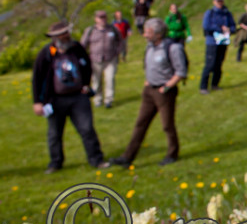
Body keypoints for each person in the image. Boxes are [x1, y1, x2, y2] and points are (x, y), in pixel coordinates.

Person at [31, 22, 111, 173]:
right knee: (54, 134)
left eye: (66, 33)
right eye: (62, 34)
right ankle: (55, 163)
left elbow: (87, 66)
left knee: (87, 129)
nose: (66, 36)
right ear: (55, 37)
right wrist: (37, 101)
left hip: (78, 97)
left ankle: (96, 159)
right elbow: (37, 78)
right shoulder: (46, 53)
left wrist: (86, 84)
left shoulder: (77, 48)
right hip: (55, 99)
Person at [110, 18, 186, 167]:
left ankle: (172, 153)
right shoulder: (149, 47)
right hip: (149, 90)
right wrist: (147, 82)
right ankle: (127, 157)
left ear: (158, 34)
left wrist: (167, 86)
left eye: (148, 32)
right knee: (140, 123)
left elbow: (181, 72)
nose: (145, 35)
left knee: (167, 125)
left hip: (164, 92)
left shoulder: (173, 48)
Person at [80, 10, 122, 109]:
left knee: (110, 79)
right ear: (96, 19)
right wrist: (83, 57)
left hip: (110, 59)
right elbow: (83, 45)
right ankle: (97, 99)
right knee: (96, 81)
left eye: (104, 17)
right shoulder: (90, 31)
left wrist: (118, 51)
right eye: (100, 18)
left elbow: (120, 41)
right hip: (95, 60)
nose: (103, 19)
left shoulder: (112, 29)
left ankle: (108, 100)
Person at [200, 0, 236, 94]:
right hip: (212, 41)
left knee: (219, 64)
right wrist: (220, 28)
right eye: (217, 1)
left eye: (221, 1)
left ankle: (215, 84)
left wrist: (229, 29)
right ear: (214, 2)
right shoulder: (210, 13)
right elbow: (206, 26)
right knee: (210, 64)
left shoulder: (227, 13)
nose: (219, 3)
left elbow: (233, 26)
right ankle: (203, 87)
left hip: (223, 41)